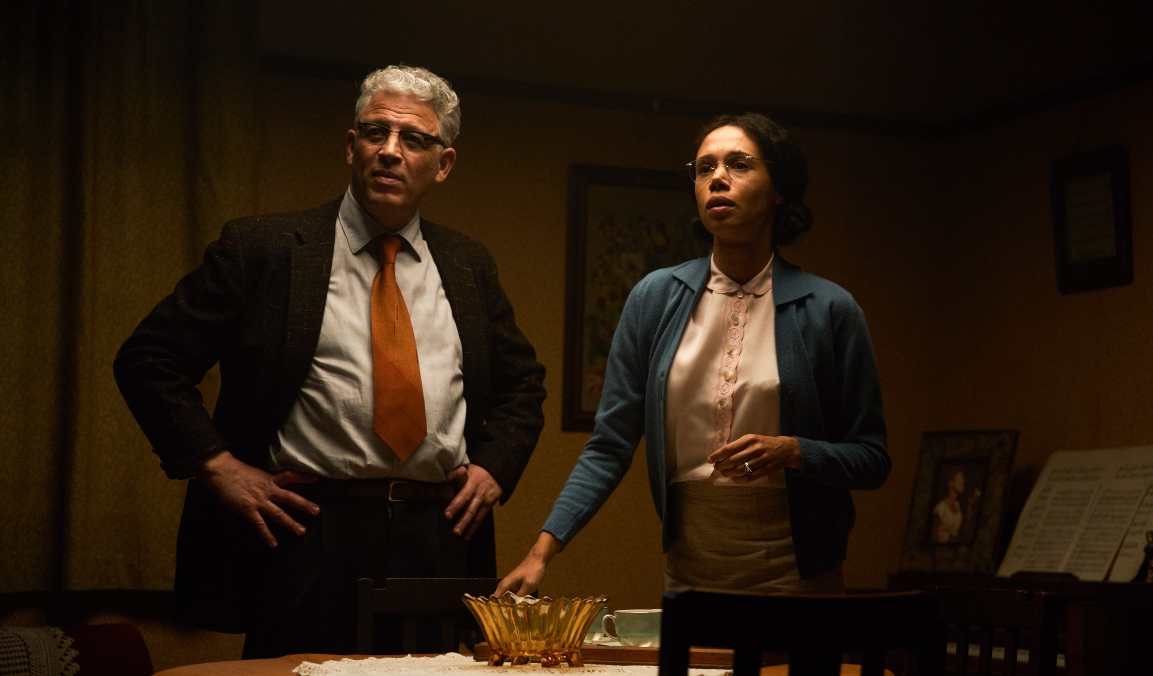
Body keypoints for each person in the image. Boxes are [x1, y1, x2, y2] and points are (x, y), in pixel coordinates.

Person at [114, 65, 546, 657]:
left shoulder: (469, 266)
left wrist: (496, 466)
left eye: (413, 139)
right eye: (375, 133)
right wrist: (217, 465)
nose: (390, 151)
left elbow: (523, 384)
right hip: (308, 535)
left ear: (443, 164)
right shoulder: (265, 249)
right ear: (351, 146)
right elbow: (149, 359)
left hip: (438, 537)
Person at [498, 113, 888, 596]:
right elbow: (610, 443)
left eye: (739, 164)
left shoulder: (829, 308)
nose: (717, 178)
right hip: (691, 567)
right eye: (705, 168)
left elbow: (872, 458)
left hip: (800, 568)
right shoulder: (655, 297)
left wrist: (794, 451)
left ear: (780, 189)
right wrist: (542, 552)